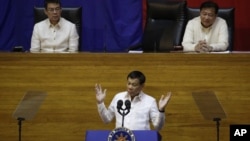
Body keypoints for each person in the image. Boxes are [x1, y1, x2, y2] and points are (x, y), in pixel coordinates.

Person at [95, 70, 171, 130]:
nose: (130, 87)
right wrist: (100, 103)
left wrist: (161, 110)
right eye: (128, 83)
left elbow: (158, 127)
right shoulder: (118, 97)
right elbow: (107, 119)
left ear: (142, 86)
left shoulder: (150, 101)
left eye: (134, 85)